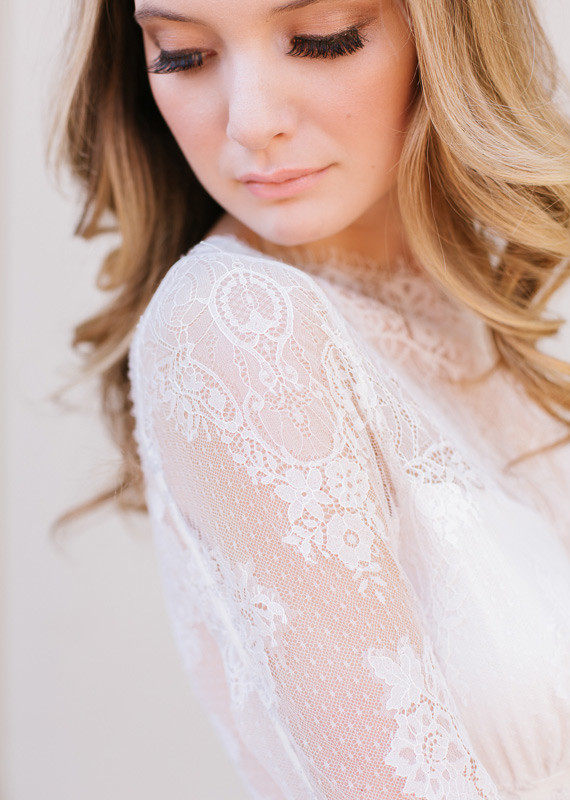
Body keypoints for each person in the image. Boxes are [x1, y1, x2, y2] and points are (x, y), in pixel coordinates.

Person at [54, 0, 570, 796]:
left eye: (322, 41)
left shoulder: (460, 302)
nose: (250, 124)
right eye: (182, 54)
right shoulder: (239, 325)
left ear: (446, 31)